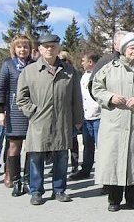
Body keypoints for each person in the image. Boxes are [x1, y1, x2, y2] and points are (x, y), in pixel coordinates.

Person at [92, 32, 134, 212]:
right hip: (114, 123)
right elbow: (96, 88)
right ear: (123, 50)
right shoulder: (108, 68)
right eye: (131, 48)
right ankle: (114, 200)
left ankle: (131, 198)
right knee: (114, 161)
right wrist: (110, 97)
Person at [16, 34, 83, 205]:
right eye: (45, 46)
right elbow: (21, 98)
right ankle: (36, 192)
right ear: (39, 49)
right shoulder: (29, 71)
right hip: (39, 122)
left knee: (61, 156)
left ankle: (59, 190)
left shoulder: (69, 71)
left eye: (53, 46)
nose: (49, 49)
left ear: (59, 48)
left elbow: (76, 97)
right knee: (36, 157)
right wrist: (33, 112)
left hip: (62, 121)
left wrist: (77, 119)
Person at [0, 34, 36, 196]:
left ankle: (29, 179)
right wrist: (0, 111)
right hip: (14, 111)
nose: (22, 49)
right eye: (19, 46)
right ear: (14, 49)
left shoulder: (35, 65)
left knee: (32, 147)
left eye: (25, 46)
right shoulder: (8, 65)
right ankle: (13, 176)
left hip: (32, 111)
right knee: (14, 146)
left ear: (30, 49)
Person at [69, 52, 102, 181]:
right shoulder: (83, 76)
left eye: (83, 60)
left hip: (99, 117)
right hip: (86, 117)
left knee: (102, 146)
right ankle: (85, 170)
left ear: (90, 62)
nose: (81, 63)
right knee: (88, 145)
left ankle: (103, 173)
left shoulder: (99, 75)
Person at [59, 50, 80, 175]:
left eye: (64, 60)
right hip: (59, 114)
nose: (62, 62)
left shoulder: (74, 73)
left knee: (72, 140)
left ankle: (75, 164)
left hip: (71, 113)